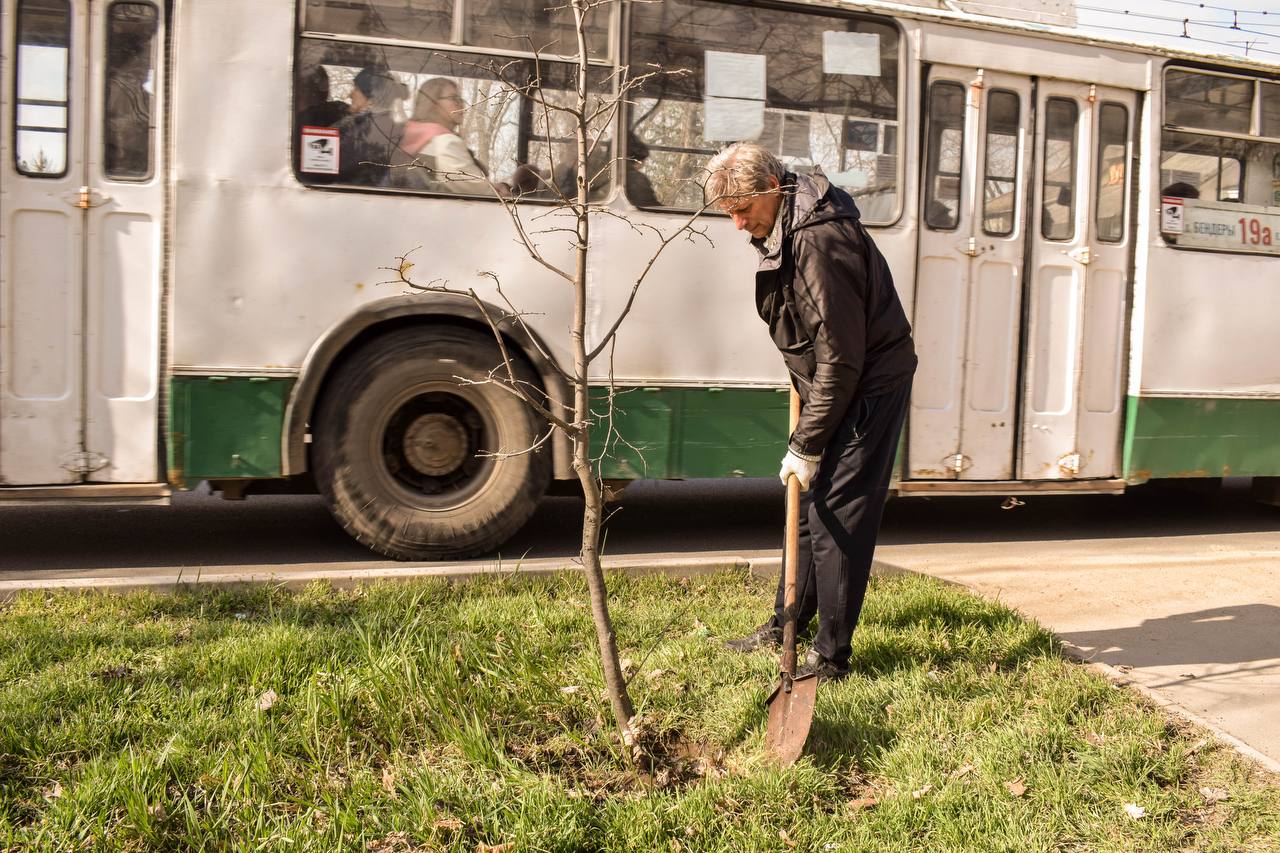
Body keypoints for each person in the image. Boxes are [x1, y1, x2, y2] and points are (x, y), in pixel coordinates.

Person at [710, 142, 917, 683]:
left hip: (868, 385)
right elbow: (813, 329)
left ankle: (831, 656)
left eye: (742, 209)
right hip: (834, 379)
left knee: (835, 513)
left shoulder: (819, 240)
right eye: (729, 213)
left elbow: (843, 358)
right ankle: (788, 624)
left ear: (772, 187)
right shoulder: (786, 223)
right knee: (805, 507)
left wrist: (806, 445)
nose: (738, 224)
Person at [391, 77, 496, 195]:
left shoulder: (412, 136)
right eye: (453, 98)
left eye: (460, 98)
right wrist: (500, 189)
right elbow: (484, 192)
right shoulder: (446, 143)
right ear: (433, 103)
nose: (460, 103)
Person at [336, 65, 407, 186]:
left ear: (372, 98)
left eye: (356, 89)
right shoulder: (393, 128)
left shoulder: (362, 129)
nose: (350, 95)